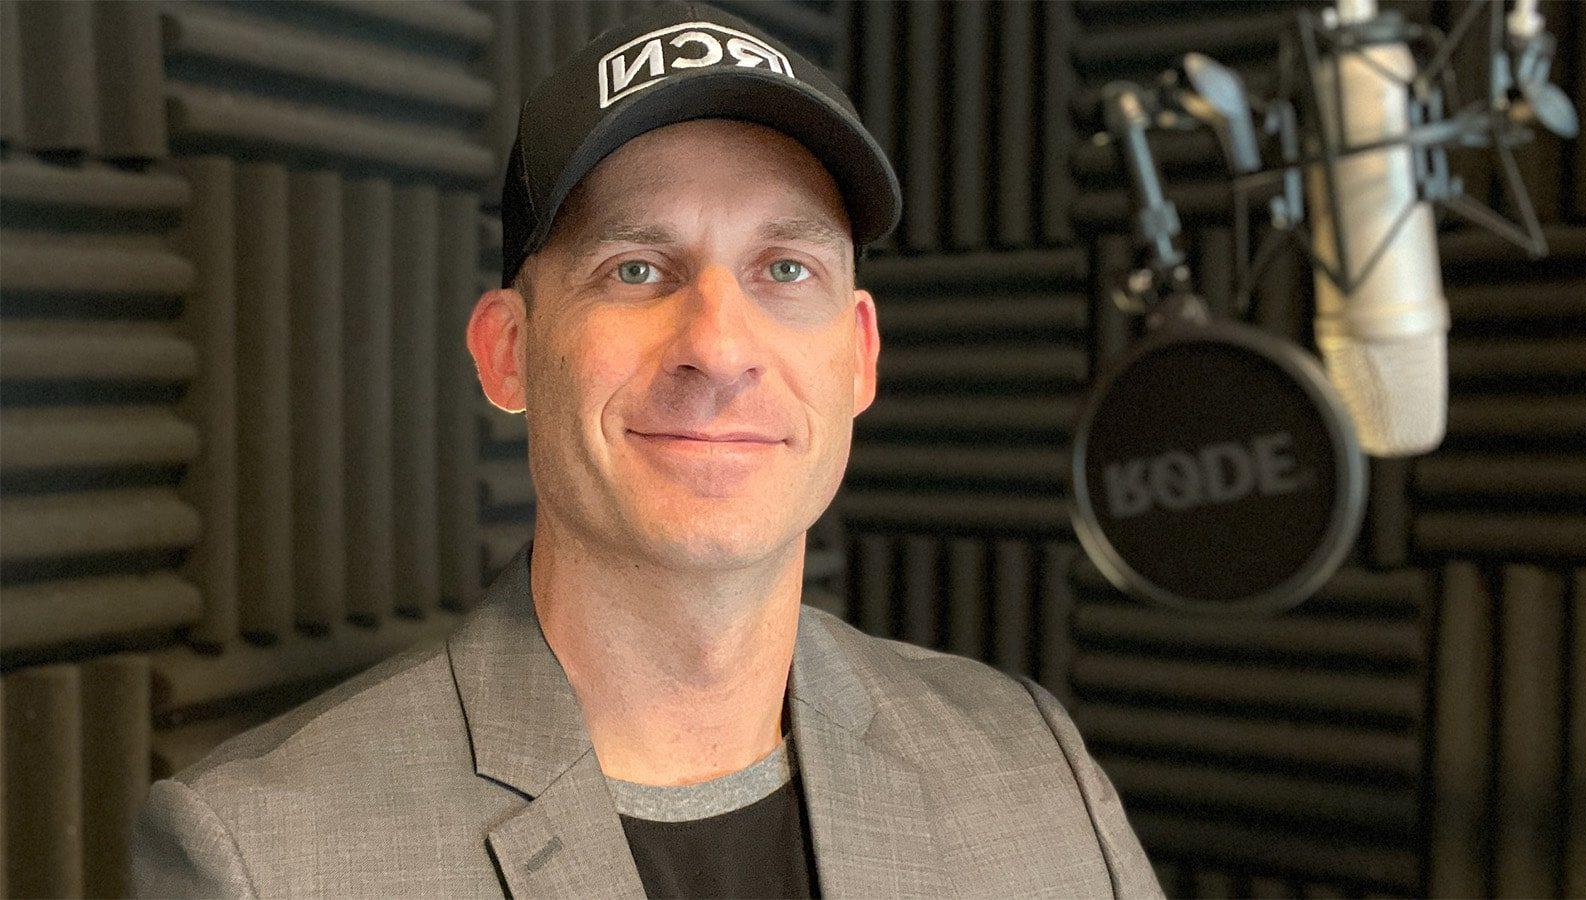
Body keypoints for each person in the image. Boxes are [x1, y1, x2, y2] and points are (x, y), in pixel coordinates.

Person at [132, 3, 1161, 897]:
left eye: (784, 268)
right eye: (634, 268)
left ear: (857, 357)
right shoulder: (263, 860)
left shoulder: (1030, 764)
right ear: (508, 353)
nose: (716, 346)